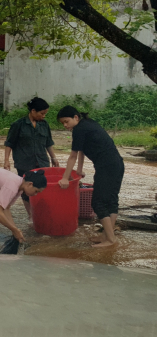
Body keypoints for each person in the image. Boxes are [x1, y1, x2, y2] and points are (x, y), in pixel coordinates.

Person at [57, 105, 124, 248]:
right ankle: (107, 235)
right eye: (62, 123)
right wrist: (79, 169)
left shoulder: (79, 129)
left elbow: (73, 155)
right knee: (111, 200)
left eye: (66, 121)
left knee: (98, 203)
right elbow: (82, 149)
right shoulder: (88, 124)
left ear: (76, 117)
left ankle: (111, 240)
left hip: (106, 167)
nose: (65, 125)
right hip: (117, 164)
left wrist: (64, 177)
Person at [3, 97, 59, 217]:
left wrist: (53, 158)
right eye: (42, 113)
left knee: (42, 188)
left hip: (42, 162)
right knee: (26, 190)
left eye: (45, 114)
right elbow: (9, 144)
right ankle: (31, 215)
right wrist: (6, 160)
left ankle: (41, 212)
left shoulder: (44, 125)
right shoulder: (18, 125)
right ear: (33, 111)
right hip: (24, 163)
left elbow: (48, 142)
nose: (44, 116)